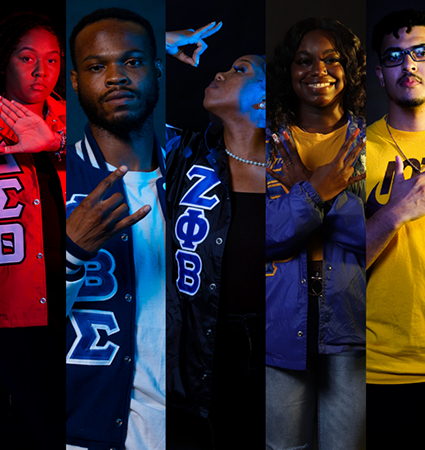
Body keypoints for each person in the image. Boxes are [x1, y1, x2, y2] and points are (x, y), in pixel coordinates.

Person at [263, 17, 367, 450]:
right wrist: (315, 193)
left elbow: (375, 236)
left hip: (352, 316)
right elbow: (262, 236)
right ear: (288, 71)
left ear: (349, 69)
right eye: (304, 60)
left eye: (331, 59)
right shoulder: (268, 145)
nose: (318, 70)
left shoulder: (371, 143)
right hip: (280, 315)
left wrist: (309, 187)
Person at [364, 9, 425, 449]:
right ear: (379, 74)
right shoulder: (354, 151)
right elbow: (334, 274)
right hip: (383, 368)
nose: (408, 63)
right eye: (394, 56)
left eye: (422, 52)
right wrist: (394, 214)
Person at [0, 11, 66, 449]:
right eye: (27, 58)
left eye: (52, 59)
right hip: (9, 303)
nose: (41, 71)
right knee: (31, 425)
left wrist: (55, 142)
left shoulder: (75, 120)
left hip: (80, 296)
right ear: (4, 61)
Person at [64, 7, 165, 450]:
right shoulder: (53, 179)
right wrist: (70, 251)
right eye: (96, 66)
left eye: (133, 61)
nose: (116, 77)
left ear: (157, 69)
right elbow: (17, 330)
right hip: (84, 435)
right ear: (75, 81)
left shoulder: (197, 176)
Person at [163, 22, 267, 449]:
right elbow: (111, 113)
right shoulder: (180, 153)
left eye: (240, 70)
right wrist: (157, 42)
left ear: (266, 100)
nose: (220, 72)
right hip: (197, 351)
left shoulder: (297, 170)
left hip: (275, 353)